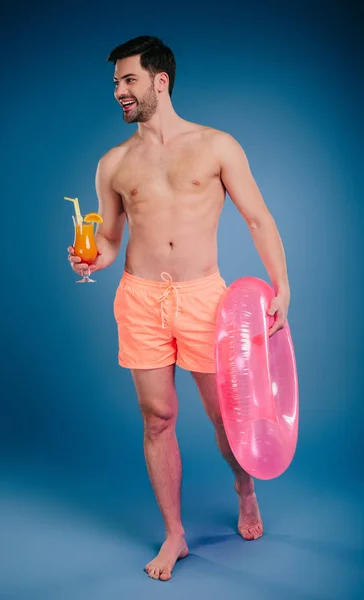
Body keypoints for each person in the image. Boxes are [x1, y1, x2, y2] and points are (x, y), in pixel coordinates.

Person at [68, 36, 290, 581]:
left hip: (203, 299)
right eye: (116, 83)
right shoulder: (114, 163)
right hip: (140, 298)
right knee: (158, 418)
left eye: (128, 80)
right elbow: (113, 238)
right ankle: (175, 536)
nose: (119, 91)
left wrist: (281, 287)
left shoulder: (216, 146)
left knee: (224, 417)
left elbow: (259, 219)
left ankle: (245, 490)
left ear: (158, 81)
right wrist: (93, 259)